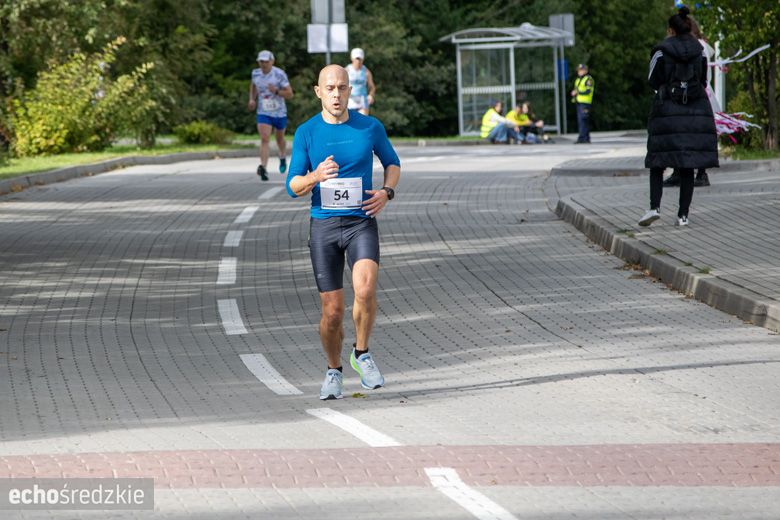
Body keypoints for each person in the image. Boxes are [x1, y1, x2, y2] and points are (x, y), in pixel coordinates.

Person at [286, 65, 400, 400]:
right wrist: (315, 176)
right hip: (323, 226)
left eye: (342, 88)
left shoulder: (369, 127)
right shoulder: (306, 132)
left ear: (351, 90)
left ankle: (362, 354)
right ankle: (334, 369)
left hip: (360, 221)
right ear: (318, 91)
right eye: (330, 88)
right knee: (332, 312)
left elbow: (392, 163)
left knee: (365, 290)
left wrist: (386, 192)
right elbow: (293, 186)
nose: (337, 94)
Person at [638, 6, 718, 228]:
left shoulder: (660, 51)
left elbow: (653, 79)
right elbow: (703, 80)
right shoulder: (699, 50)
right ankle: (683, 215)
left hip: (666, 111)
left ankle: (654, 207)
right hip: (694, 110)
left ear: (670, 30)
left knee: (658, 160)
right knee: (687, 164)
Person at [663, 18, 716, 188]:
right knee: (693, 134)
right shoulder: (698, 45)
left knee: (693, 135)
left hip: (692, 93)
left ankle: (697, 172)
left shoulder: (694, 45)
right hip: (698, 92)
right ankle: (686, 171)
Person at [248, 50, 293, 181]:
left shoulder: (279, 74)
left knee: (280, 139)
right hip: (263, 111)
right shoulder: (255, 73)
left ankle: (283, 156)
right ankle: (263, 167)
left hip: (279, 112)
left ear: (272, 61)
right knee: (265, 138)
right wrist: (252, 99)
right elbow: (253, 86)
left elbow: (290, 94)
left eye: (266, 61)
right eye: (261, 61)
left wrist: (277, 91)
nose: (263, 64)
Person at [346, 48, 376, 115]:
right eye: (356, 58)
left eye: (360, 59)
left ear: (363, 59)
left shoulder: (366, 71)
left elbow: (372, 87)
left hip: (362, 99)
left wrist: (371, 95)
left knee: (363, 121)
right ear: (352, 58)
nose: (358, 61)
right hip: (350, 100)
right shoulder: (346, 70)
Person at [570, 64, 594, 144]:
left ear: (585, 71)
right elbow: (577, 90)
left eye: (581, 70)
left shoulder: (588, 79)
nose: (579, 72)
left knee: (583, 120)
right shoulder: (578, 80)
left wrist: (577, 92)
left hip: (585, 103)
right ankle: (585, 138)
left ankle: (583, 138)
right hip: (579, 102)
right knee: (582, 121)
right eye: (579, 70)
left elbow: (588, 91)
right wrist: (574, 93)